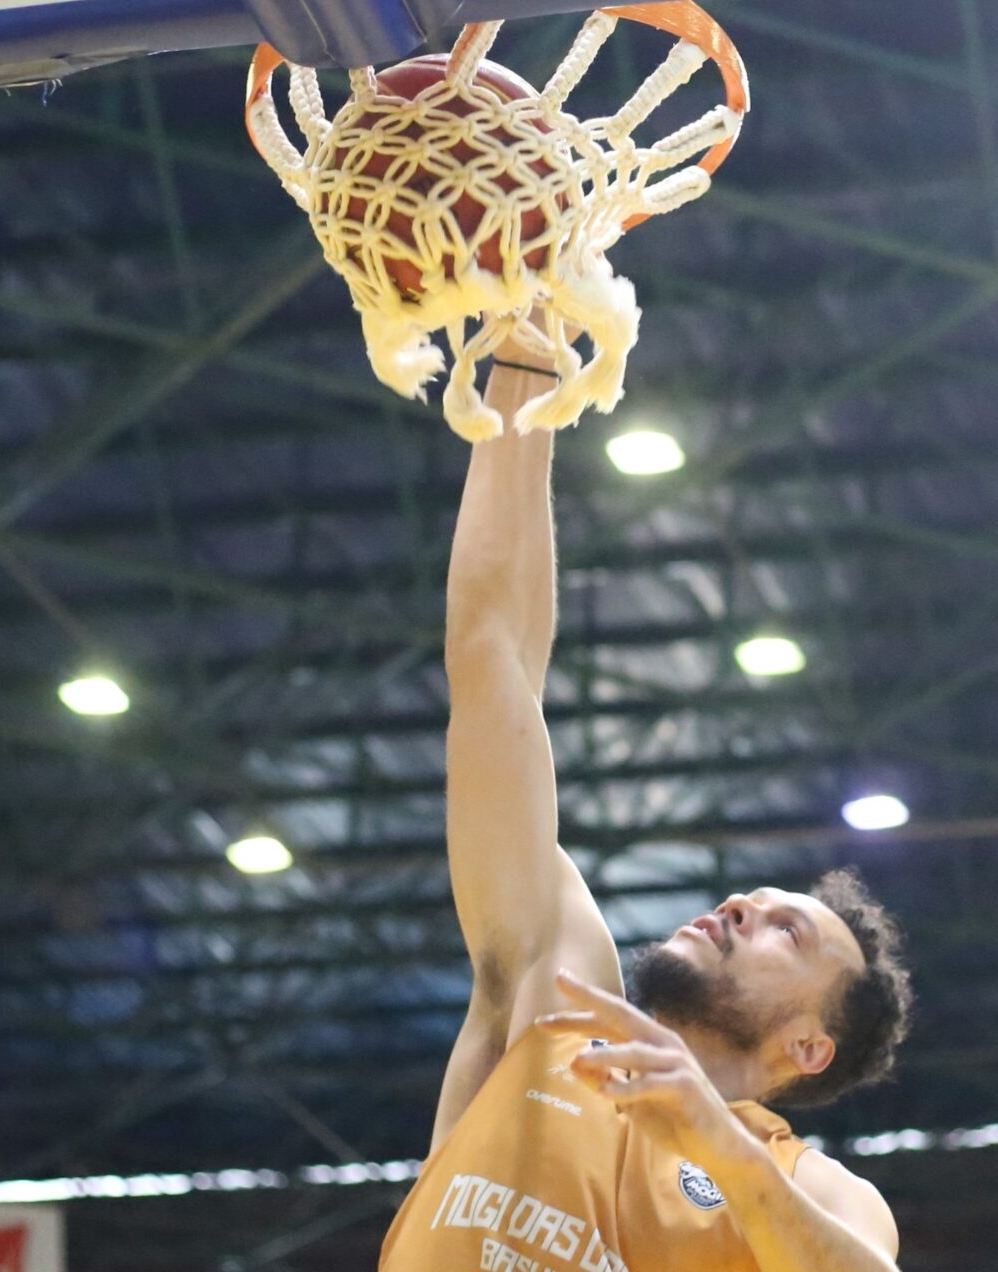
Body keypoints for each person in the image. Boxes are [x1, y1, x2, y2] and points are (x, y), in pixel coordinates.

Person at [379, 351, 917, 1272]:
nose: (744, 906)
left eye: (787, 932)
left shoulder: (815, 1191)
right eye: (755, 899)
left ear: (808, 1047)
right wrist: (522, 355)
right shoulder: (557, 996)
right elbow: (491, 654)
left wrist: (715, 1137)